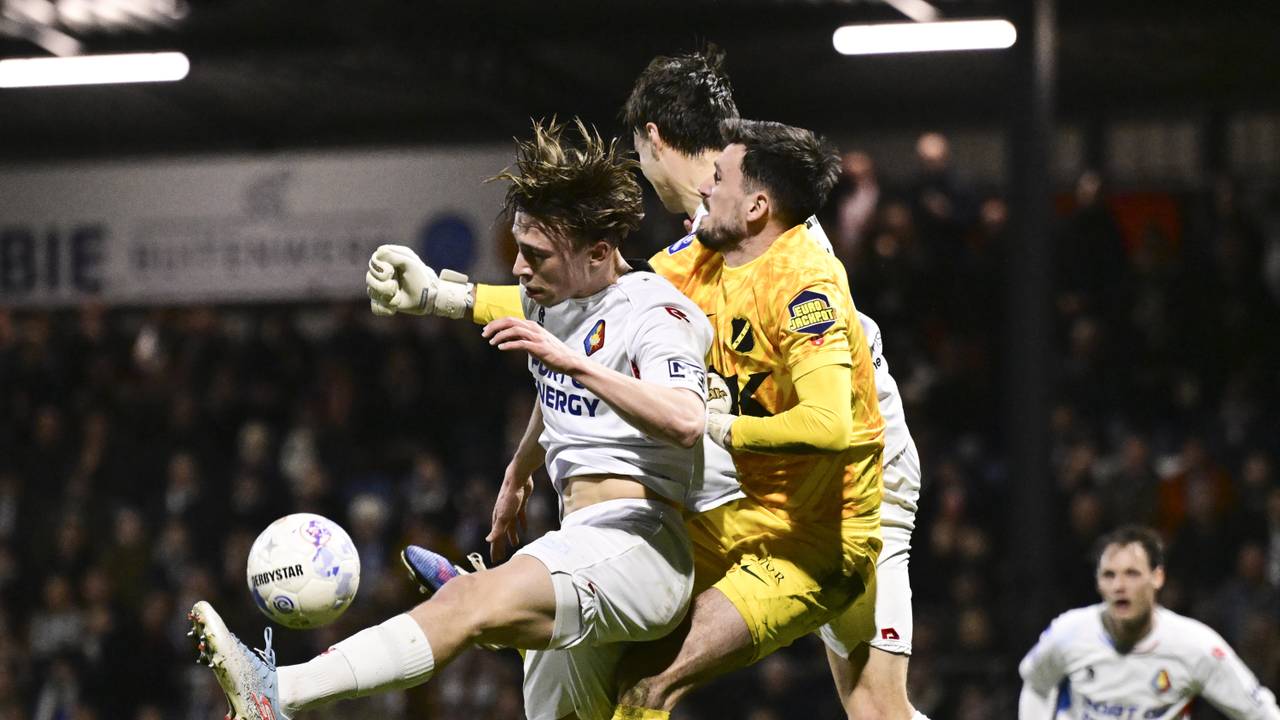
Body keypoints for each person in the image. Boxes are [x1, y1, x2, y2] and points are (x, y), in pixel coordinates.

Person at [380, 47, 929, 720]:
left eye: (638, 155)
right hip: (755, 482)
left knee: (873, 706)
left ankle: (506, 607)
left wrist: (445, 299)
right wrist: (447, 299)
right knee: (635, 655)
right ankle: (509, 605)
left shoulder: (771, 241)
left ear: (653, 139)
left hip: (849, 484)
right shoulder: (710, 235)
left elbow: (823, 417)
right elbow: (587, 307)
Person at [191, 118, 716, 720]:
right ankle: (493, 613)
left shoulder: (658, 313)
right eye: (518, 250)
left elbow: (686, 420)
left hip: (639, 546)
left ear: (599, 252)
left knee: (467, 603)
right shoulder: (557, 300)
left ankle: (277, 691)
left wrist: (571, 361)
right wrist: (519, 470)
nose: (520, 269)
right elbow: (560, 393)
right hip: (577, 542)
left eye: (536, 256)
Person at [1019, 525, 1280, 720]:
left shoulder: (1195, 645)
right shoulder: (1069, 632)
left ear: (1157, 578)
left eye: (1132, 574)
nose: (1119, 586)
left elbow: (1262, 713)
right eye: (1109, 575)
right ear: (1098, 583)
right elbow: (1036, 685)